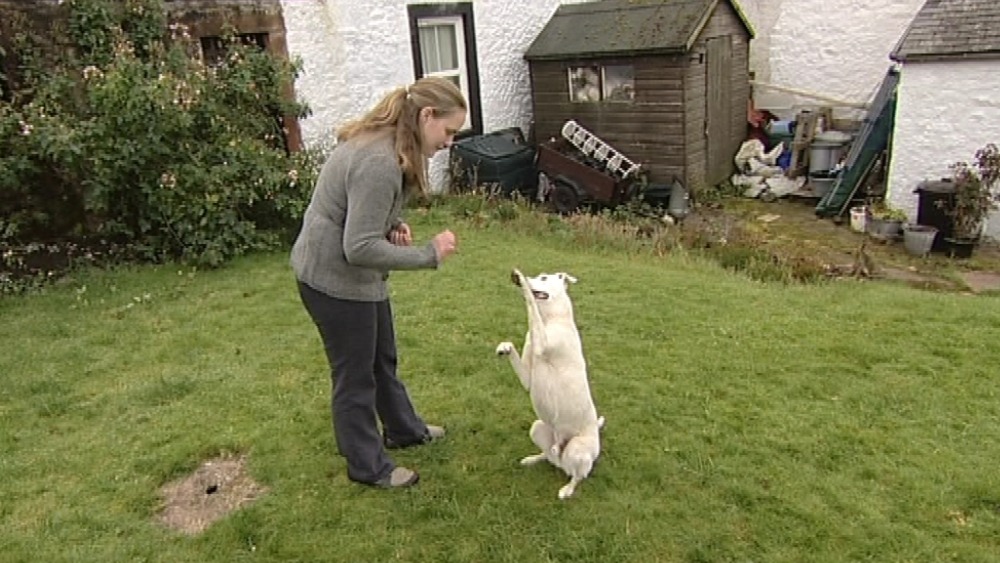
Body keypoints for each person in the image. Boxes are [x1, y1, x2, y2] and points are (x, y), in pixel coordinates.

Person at [291, 77, 465, 488]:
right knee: (355, 375)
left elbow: (365, 213)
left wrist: (392, 223)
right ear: (427, 116)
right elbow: (359, 247)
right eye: (449, 131)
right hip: (331, 280)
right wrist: (428, 254)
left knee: (382, 358)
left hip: (358, 278)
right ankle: (368, 466)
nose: (449, 142)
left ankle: (403, 429)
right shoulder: (379, 160)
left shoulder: (396, 145)